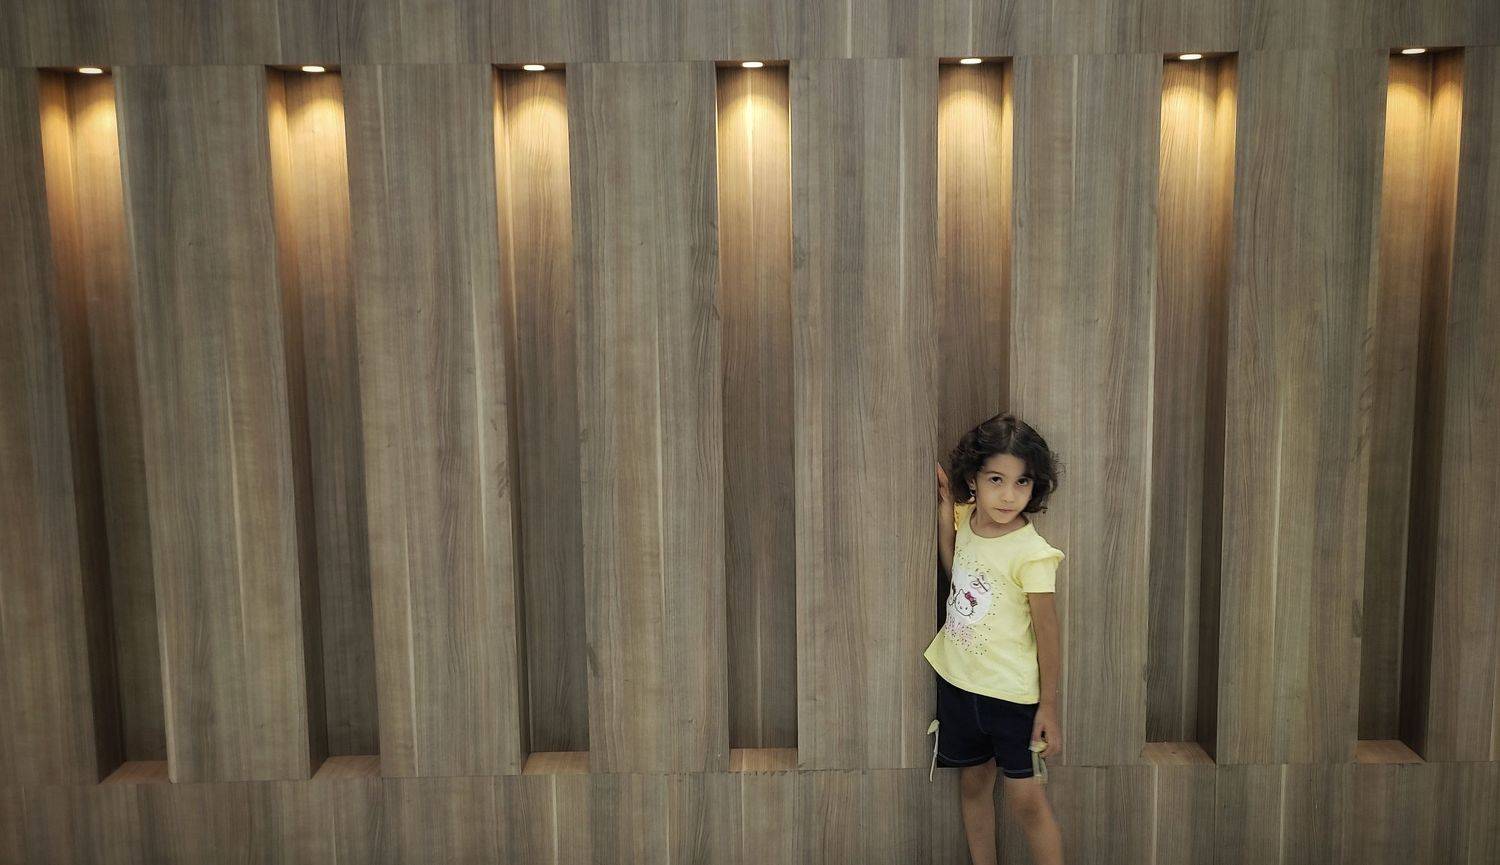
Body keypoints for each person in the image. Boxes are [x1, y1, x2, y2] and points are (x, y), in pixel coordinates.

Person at [924, 412, 1066, 865]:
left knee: (1027, 802)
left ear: (1035, 486)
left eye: (1022, 482)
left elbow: (1048, 634)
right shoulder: (968, 520)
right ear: (974, 479)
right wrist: (946, 512)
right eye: (996, 480)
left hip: (1013, 700)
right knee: (973, 786)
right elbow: (958, 572)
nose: (1008, 495)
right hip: (961, 688)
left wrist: (1048, 707)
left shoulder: (1033, 553)